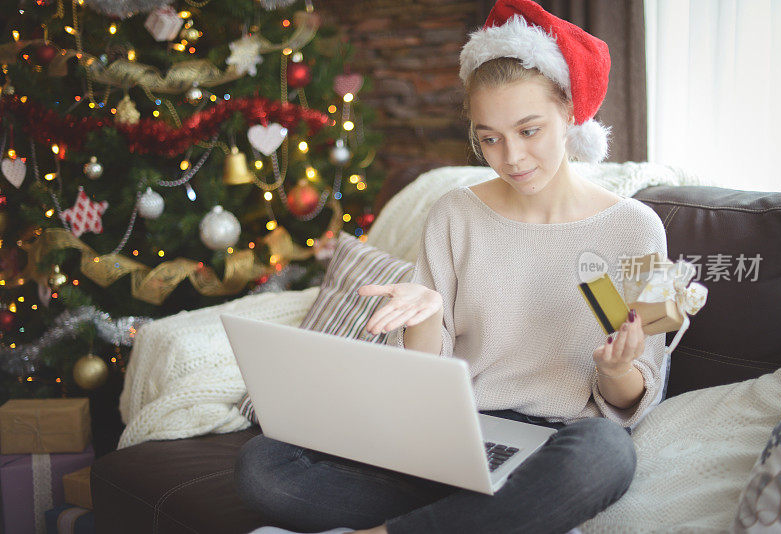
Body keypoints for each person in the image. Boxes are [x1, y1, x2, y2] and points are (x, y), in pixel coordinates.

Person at [235, 1, 668, 533]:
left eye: (529, 130)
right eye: (490, 138)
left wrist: (616, 369)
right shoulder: (456, 214)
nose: (511, 157)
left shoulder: (636, 228)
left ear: (569, 112)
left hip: (552, 449)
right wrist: (425, 316)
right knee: (265, 464)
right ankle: (482, 523)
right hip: (452, 439)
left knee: (607, 454)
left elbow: (638, 396)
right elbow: (423, 380)